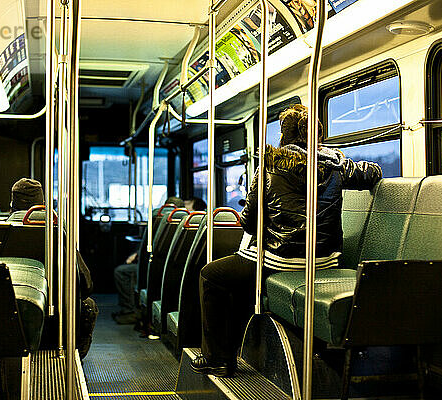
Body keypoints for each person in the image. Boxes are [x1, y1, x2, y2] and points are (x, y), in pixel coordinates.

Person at [190, 104, 382, 377]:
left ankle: (218, 358)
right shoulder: (338, 165)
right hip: (325, 259)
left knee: (212, 275)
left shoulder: (271, 164)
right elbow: (372, 172)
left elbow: (249, 221)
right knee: (241, 279)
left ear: (285, 135)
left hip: (281, 259)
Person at [112, 196, 185, 325]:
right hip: (174, 266)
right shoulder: (185, 223)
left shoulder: (160, 221)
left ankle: (130, 310)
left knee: (121, 271)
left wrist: (138, 255)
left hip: (154, 266)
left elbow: (150, 247)